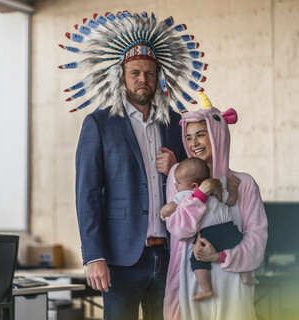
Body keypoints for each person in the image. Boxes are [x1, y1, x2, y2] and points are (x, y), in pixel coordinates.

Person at [63, 11, 207, 320]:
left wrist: (177, 165)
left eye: (150, 73)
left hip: (169, 255)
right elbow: (87, 194)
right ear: (122, 77)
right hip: (120, 259)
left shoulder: (173, 124)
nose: (143, 79)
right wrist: (93, 256)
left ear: (159, 77)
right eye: (135, 73)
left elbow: (191, 182)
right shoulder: (99, 124)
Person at [163, 92, 268, 320]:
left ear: (217, 135)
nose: (194, 144)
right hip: (189, 288)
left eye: (201, 135)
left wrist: (221, 256)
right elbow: (180, 230)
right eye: (189, 138)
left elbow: (256, 239)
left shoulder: (244, 184)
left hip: (233, 289)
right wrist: (201, 193)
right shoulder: (178, 177)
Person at [160, 157, 258, 302]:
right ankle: (246, 275)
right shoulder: (215, 190)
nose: (175, 184)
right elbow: (231, 201)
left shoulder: (186, 195)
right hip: (230, 229)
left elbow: (169, 208)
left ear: (194, 186)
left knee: (197, 260)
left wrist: (163, 213)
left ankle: (206, 289)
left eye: (178, 182)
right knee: (239, 246)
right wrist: (232, 189)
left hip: (210, 234)